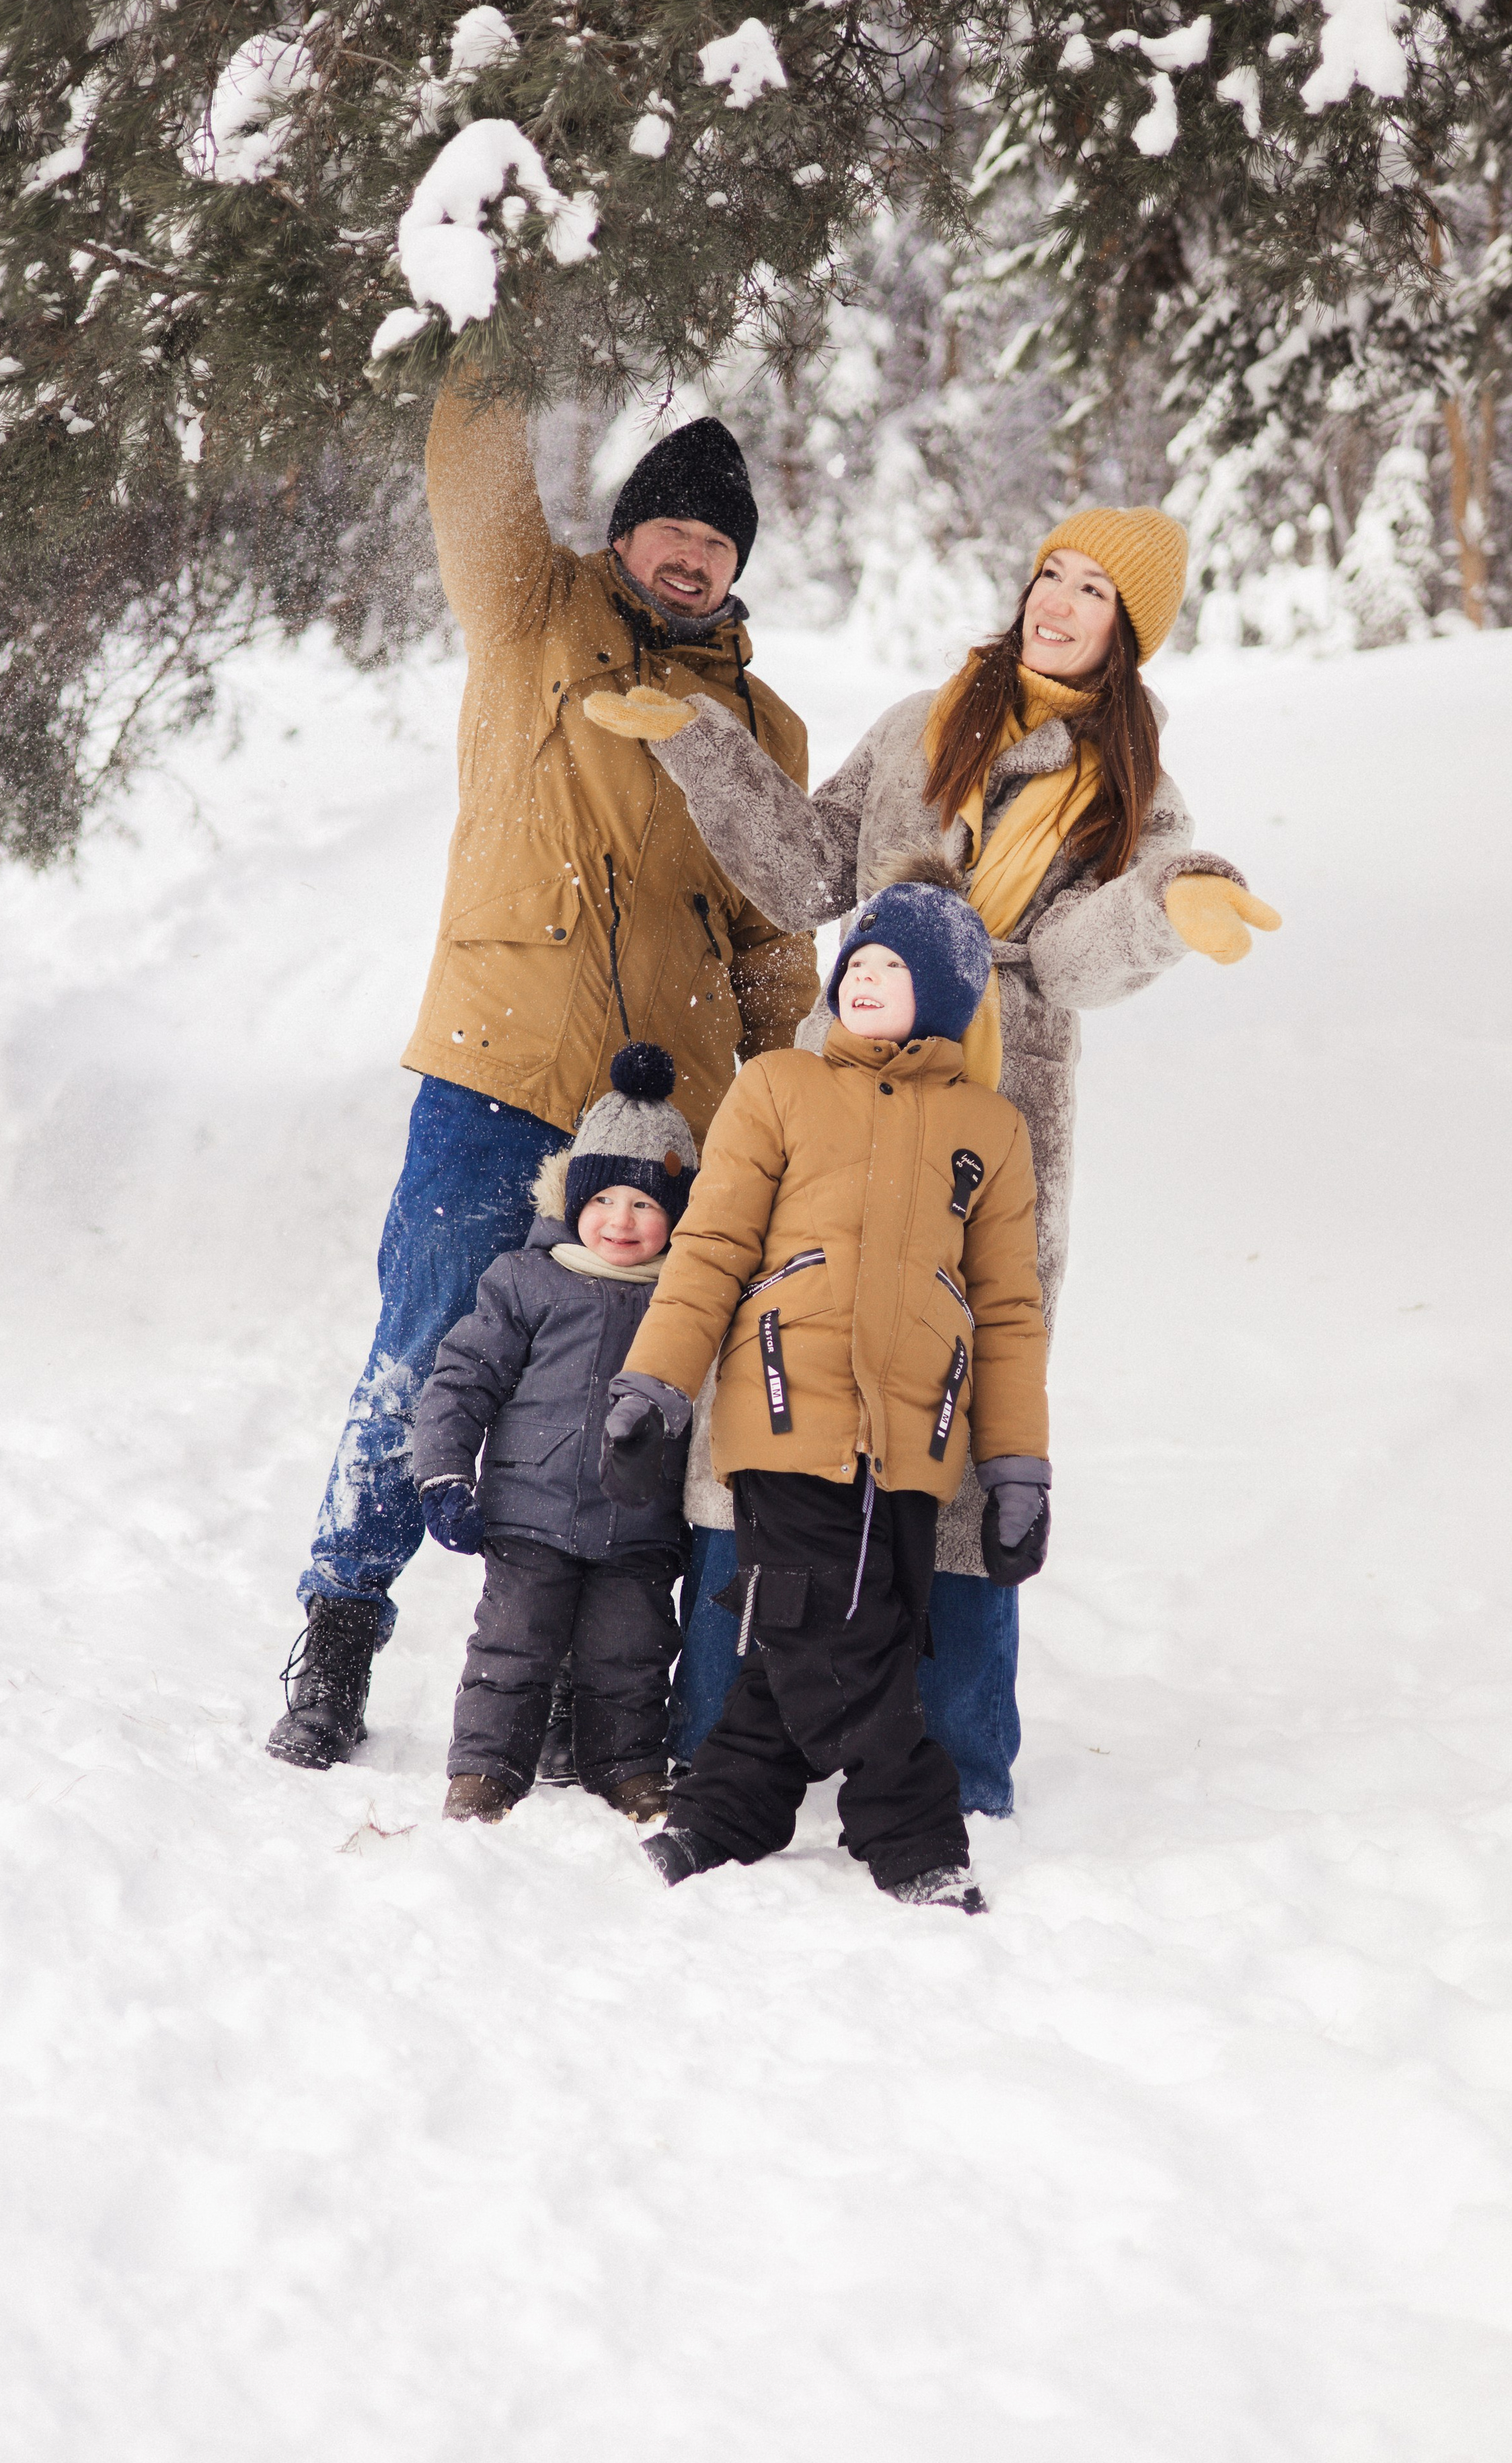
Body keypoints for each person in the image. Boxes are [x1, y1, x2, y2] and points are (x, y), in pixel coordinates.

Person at [584, 506, 1280, 1816]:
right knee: (774, 1377)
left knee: (960, 1417)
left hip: (995, 1111)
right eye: (1049, 574)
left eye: (1092, 593)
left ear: (1128, 631)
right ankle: (714, 1728)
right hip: (835, 1090)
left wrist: (1163, 902)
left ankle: (960, 1758)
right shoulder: (920, 722)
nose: (1058, 603)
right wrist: (703, 751)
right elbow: (802, 872)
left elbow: (1070, 960)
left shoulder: (1131, 789)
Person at [266, 382, 819, 1769]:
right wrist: (485, 335)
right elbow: (475, 485)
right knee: (428, 1341)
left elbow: (769, 942)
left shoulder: (763, 722)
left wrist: (780, 1103)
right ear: (624, 534)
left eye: (717, 543)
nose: (691, 557)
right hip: (501, 1063)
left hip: (667, 1117)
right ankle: (338, 1626)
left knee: (632, 1390)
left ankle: (593, 1675)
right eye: (669, 531)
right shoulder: (534, 616)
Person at [599, 876, 1049, 1911]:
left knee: (835, 1626)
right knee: (835, 1616)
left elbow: (1010, 1310)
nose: (866, 981)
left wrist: (1019, 1468)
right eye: (859, 964)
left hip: (917, 1432)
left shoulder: (992, 1129)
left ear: (944, 997)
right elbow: (710, 1245)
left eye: (894, 970)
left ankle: (726, 1814)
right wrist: (656, 1382)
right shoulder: (779, 1088)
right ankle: (913, 1834)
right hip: (786, 1402)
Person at [412, 1046, 696, 1825]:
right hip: (528, 1510)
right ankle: (484, 1771)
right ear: (571, 1199)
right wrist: (443, 1474)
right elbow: (463, 1377)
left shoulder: (687, 1302)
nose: (622, 1220)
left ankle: (628, 1767)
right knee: (512, 1645)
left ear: (676, 1213)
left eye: (645, 1204)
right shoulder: (525, 1280)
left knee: (630, 1654)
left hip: (639, 1522)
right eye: (604, 1198)